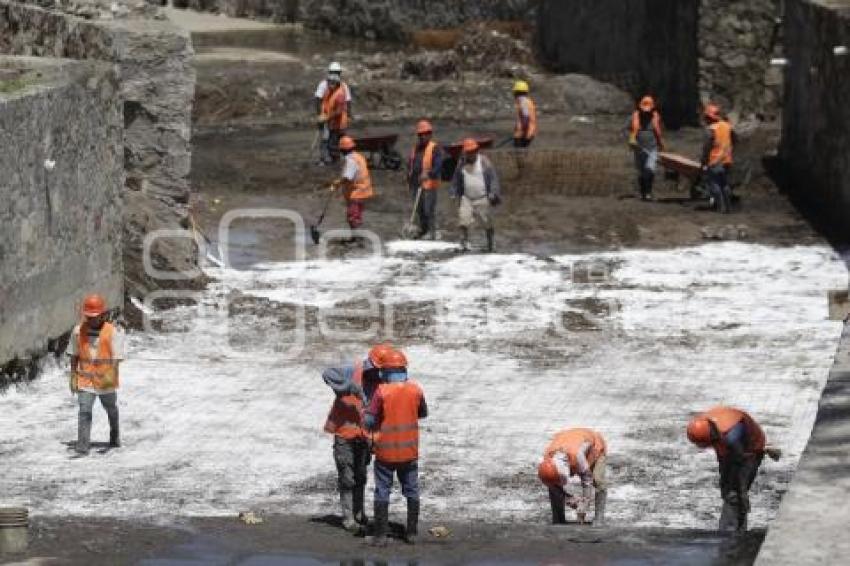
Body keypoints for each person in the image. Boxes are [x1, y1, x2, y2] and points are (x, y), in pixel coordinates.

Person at [322, 344, 394, 533]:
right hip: (344, 434)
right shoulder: (352, 370)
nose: (378, 374)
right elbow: (327, 373)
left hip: (363, 436)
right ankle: (348, 518)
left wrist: (374, 439)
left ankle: (359, 513)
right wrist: (348, 387)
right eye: (377, 370)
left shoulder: (382, 383)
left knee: (361, 476)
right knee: (347, 477)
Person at [365, 349, 428, 546]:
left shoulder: (381, 392)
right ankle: (411, 533)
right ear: (404, 369)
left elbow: (369, 419)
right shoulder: (416, 389)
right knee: (412, 490)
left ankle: (381, 536)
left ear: (385, 372)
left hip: (385, 452)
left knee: (382, 490)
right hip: (409, 452)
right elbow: (423, 413)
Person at [687, 406, 781, 532]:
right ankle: (737, 528)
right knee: (728, 489)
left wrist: (740, 489)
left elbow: (740, 461)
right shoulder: (704, 425)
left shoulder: (732, 437)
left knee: (734, 493)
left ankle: (730, 533)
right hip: (730, 447)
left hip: (749, 451)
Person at [68, 293, 124, 457]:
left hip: (105, 381)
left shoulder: (113, 332)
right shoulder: (78, 331)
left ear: (102, 315)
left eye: (95, 316)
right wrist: (73, 375)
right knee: (84, 411)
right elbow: (74, 354)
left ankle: (114, 434)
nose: (91, 319)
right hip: (86, 380)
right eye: (89, 316)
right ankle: (82, 446)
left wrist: (111, 373)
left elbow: (117, 357)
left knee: (111, 409)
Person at [537, 428, 608, 525]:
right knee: (552, 484)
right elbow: (552, 485)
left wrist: (584, 504)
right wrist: (568, 498)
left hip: (595, 447)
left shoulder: (577, 455)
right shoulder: (547, 460)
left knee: (598, 480)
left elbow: (587, 480)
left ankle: (599, 519)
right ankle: (558, 520)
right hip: (570, 442)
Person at [450, 138, 501, 252]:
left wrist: (493, 193)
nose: (470, 154)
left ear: (477, 150)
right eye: (468, 152)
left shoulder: (484, 162)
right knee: (463, 220)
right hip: (467, 198)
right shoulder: (461, 163)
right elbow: (456, 179)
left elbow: (493, 179)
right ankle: (463, 243)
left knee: (486, 222)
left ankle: (490, 242)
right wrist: (453, 191)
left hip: (482, 198)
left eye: (473, 151)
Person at [332, 135, 373, 242]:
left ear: (342, 149)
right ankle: (357, 237)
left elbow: (347, 177)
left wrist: (337, 183)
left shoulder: (351, 161)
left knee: (352, 215)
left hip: (357, 192)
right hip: (363, 190)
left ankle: (357, 238)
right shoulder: (358, 156)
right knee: (356, 214)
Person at [407, 120, 443, 239]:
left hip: (429, 184)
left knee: (429, 209)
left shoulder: (434, 148)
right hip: (416, 184)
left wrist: (429, 174)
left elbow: (438, 165)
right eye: (421, 134)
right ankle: (422, 229)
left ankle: (432, 232)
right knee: (419, 209)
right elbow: (411, 164)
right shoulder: (415, 148)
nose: (423, 136)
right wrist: (409, 177)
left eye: (425, 133)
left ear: (430, 134)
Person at [628, 95, 664, 201]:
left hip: (652, 147)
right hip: (639, 147)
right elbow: (633, 129)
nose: (646, 113)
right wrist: (632, 140)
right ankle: (643, 192)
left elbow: (657, 131)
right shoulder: (636, 115)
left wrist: (660, 143)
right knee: (641, 171)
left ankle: (648, 192)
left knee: (649, 169)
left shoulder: (655, 116)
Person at [700, 103, 734, 213]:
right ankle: (728, 207)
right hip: (727, 159)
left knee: (714, 184)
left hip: (714, 160)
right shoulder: (727, 126)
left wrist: (703, 162)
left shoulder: (710, 129)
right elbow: (734, 139)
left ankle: (720, 207)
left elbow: (707, 147)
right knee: (725, 184)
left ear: (708, 117)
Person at [319, 74, 350, 164]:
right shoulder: (329, 92)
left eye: (331, 83)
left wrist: (327, 117)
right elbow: (326, 105)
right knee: (331, 143)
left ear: (336, 84)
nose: (329, 84)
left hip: (339, 124)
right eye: (328, 82)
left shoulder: (339, 94)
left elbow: (339, 111)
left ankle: (336, 162)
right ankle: (335, 160)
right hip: (332, 123)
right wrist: (323, 115)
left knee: (334, 143)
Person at [512, 80, 537, 148]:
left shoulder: (523, 102)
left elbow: (526, 118)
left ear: (516, 92)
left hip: (525, 134)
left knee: (519, 152)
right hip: (529, 133)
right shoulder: (527, 101)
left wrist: (522, 133)